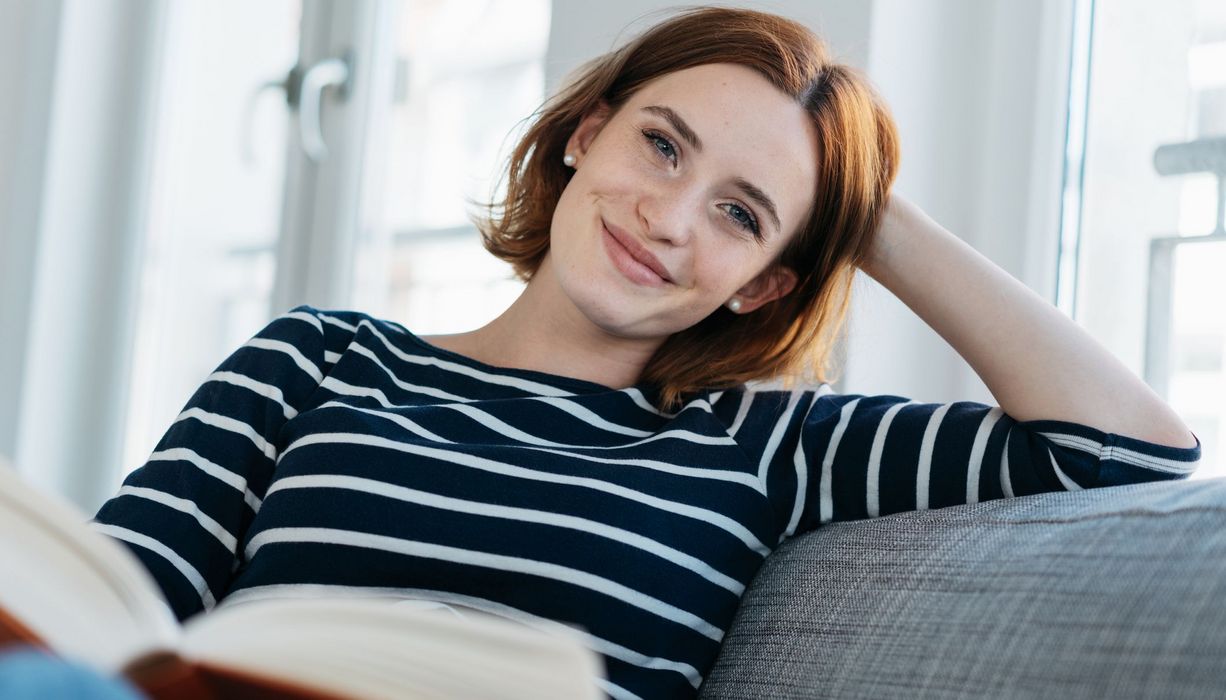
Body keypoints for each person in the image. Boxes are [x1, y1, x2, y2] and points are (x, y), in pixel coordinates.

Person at [92, 6, 1200, 699]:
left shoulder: (766, 445)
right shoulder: (319, 360)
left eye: (738, 214)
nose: (666, 218)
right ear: (587, 134)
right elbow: (106, 610)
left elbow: (1120, 448)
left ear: (766, 280)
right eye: (660, 146)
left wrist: (857, 203)